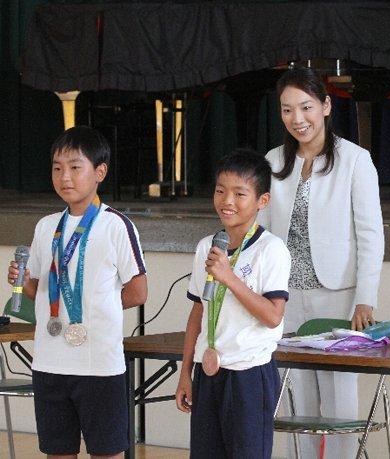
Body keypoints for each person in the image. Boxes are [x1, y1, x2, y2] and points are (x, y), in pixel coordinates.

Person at [258, 66, 384, 459]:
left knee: (339, 399)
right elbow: (258, 235)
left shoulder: (355, 160)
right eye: (287, 110)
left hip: (338, 296)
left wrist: (365, 298)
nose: (298, 119)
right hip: (284, 297)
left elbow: (370, 234)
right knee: (296, 398)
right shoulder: (274, 161)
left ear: (327, 106)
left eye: (307, 107)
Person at [6, 126, 148, 458]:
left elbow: (138, 292)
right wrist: (24, 282)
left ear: (100, 172)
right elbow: (40, 292)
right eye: (57, 168)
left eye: (74, 166)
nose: (64, 177)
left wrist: (96, 308)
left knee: (106, 451)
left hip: (98, 364)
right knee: (57, 451)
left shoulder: (116, 225)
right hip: (50, 361)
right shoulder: (46, 226)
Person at [175, 150, 291, 458]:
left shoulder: (272, 250)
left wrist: (229, 277)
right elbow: (198, 313)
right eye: (220, 191)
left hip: (249, 374)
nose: (227, 201)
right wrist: (186, 371)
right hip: (208, 371)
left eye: (239, 193)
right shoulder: (207, 247)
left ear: (262, 201)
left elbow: (272, 316)